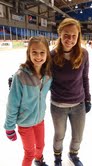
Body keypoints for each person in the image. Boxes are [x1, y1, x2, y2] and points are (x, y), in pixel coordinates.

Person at [4, 36, 52, 166]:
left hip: (39, 120)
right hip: (25, 123)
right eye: (34, 52)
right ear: (28, 53)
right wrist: (9, 127)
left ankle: (39, 160)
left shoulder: (48, 74)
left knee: (41, 146)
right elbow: (12, 104)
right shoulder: (21, 76)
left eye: (42, 53)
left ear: (47, 53)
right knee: (29, 152)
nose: (38, 56)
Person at [50, 18, 91, 166]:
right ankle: (57, 158)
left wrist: (88, 99)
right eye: (66, 34)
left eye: (74, 36)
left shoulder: (84, 54)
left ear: (78, 36)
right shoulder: (51, 56)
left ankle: (73, 154)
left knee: (77, 137)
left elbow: (85, 78)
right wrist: (21, 76)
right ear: (60, 33)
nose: (70, 39)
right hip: (58, 105)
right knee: (59, 135)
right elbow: (39, 74)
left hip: (78, 104)